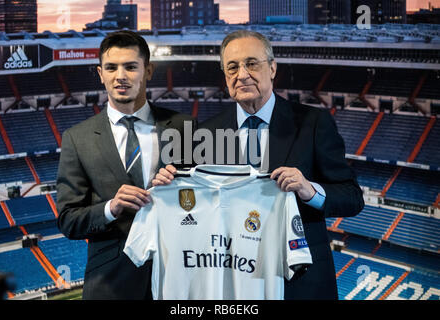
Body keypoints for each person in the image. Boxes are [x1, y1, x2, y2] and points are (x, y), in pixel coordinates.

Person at [152, 30, 364, 299]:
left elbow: (353, 197)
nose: (242, 74)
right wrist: (167, 183)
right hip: (235, 282)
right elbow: (187, 203)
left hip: (301, 282)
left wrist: (310, 190)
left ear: (273, 68)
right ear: (225, 76)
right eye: (232, 67)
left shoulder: (313, 123)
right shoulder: (204, 134)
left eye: (252, 63)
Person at [56, 30, 194, 299]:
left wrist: (180, 190)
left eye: (131, 66)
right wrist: (111, 208)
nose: (121, 76)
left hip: (178, 278)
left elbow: (206, 200)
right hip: (110, 285)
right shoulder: (77, 139)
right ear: (100, 74)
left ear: (148, 70)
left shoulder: (184, 127)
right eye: (111, 67)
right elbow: (68, 220)